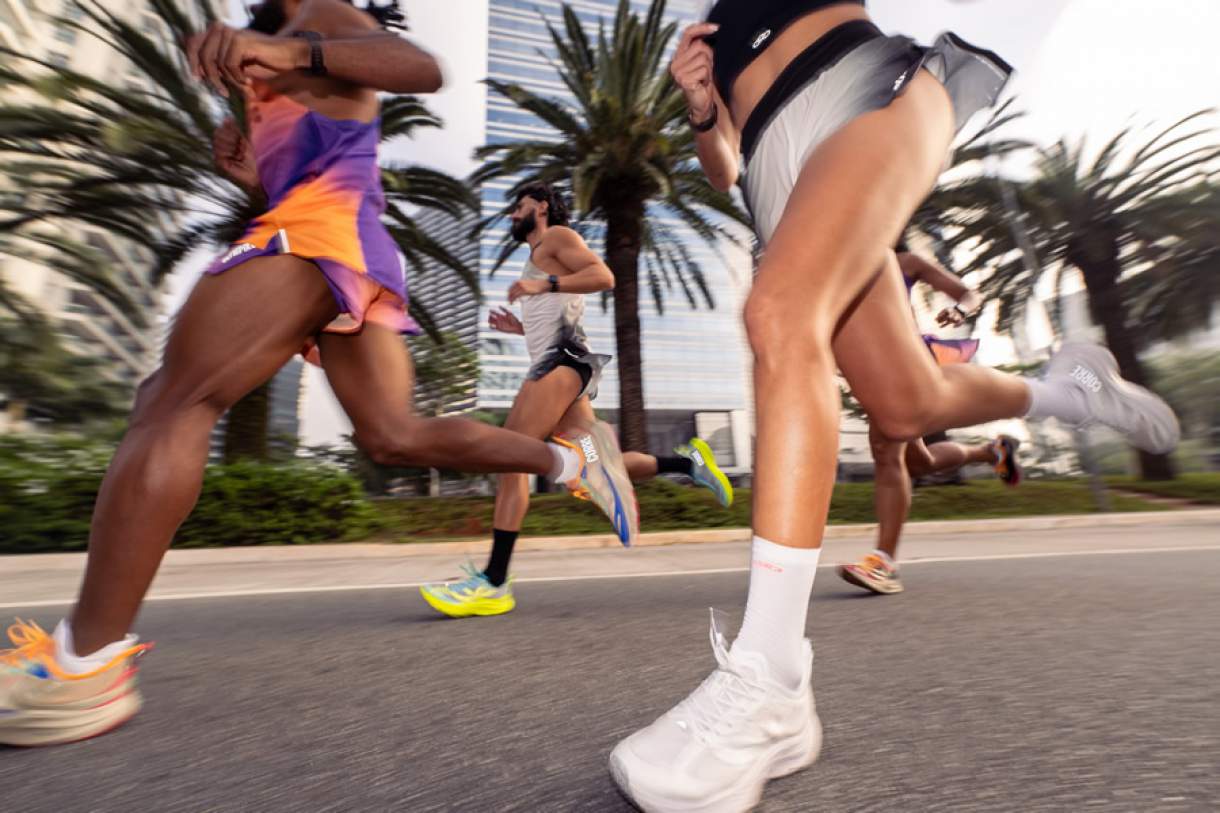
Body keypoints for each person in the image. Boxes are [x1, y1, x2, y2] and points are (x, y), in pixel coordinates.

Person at [0, 0, 637, 747]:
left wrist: (286, 54)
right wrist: (254, 177)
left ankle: (83, 666)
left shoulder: (317, 14)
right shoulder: (270, 47)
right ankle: (570, 462)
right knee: (393, 435)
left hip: (318, 234)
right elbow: (317, 147)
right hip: (341, 240)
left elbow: (420, 68)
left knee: (173, 401)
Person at [609, 3, 1179, 810]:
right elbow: (724, 171)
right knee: (906, 405)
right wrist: (703, 109)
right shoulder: (708, 26)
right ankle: (1072, 391)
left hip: (861, 92)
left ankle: (770, 677)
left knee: (779, 316)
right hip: (778, 181)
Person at [419, 183, 734, 618]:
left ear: (541, 207)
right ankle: (688, 463)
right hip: (565, 369)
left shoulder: (557, 237)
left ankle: (493, 581)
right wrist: (518, 327)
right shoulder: (540, 253)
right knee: (598, 466)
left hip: (561, 365)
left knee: (512, 460)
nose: (512, 215)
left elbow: (604, 276)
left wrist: (543, 283)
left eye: (519, 207)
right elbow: (557, 314)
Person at [839, 247, 1022, 596]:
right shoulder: (836, 266)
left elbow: (969, 295)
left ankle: (883, 563)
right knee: (918, 462)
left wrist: (959, 310)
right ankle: (990, 452)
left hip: (907, 363)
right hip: (872, 371)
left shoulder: (903, 262)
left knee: (886, 452)